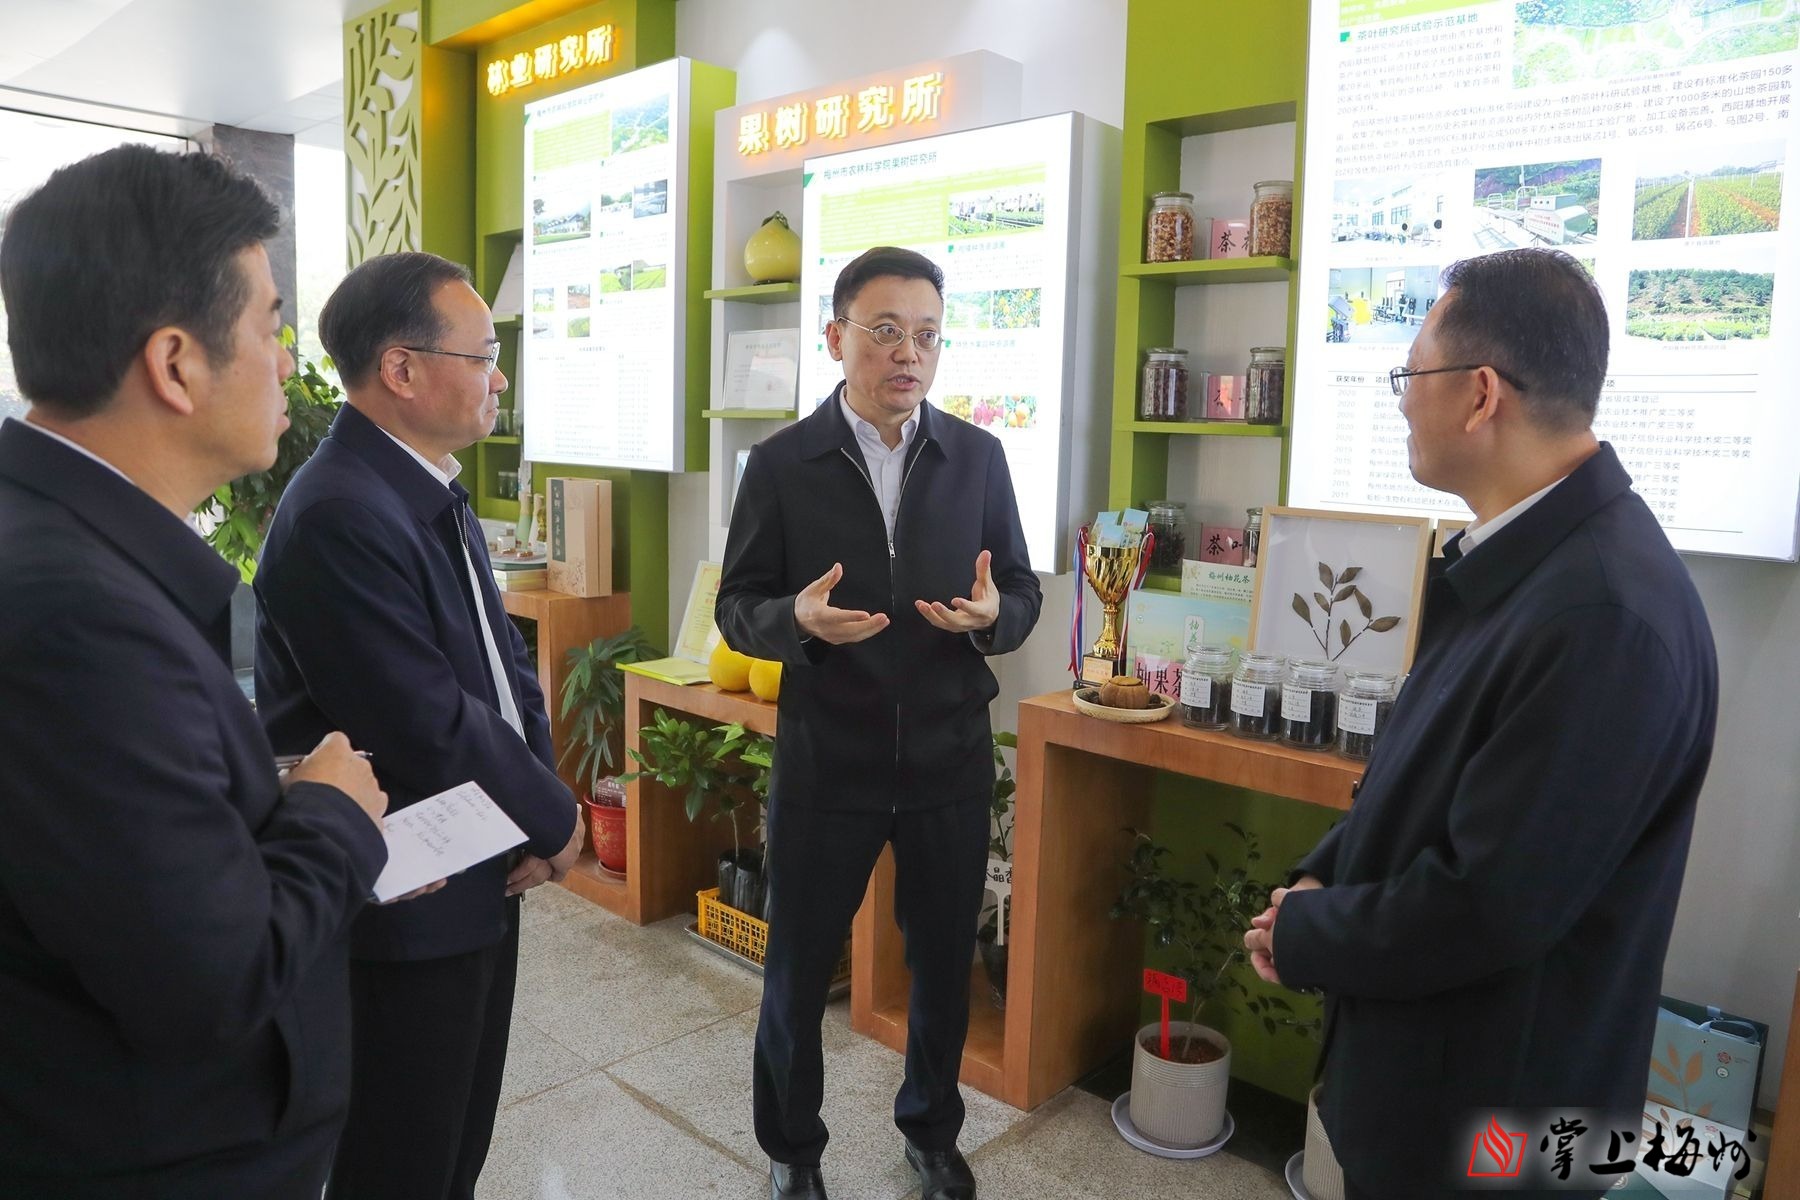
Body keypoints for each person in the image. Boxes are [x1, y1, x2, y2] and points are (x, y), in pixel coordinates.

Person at [1244, 248, 1717, 1199]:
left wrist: (1309, 934)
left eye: (1411, 373)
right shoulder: (1521, 564)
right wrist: (1323, 874)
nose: (1401, 402)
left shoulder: (1602, 615)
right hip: (1433, 1089)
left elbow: (1492, 903)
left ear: (1480, 394)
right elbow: (1424, 775)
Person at [0, 145, 390, 1197]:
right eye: (269, 326)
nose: (286, 364)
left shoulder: (58, 543)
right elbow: (213, 978)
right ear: (175, 364)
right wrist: (335, 815)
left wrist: (266, 794)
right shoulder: (78, 618)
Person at [253, 251, 584, 1200]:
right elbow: (424, 717)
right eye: (483, 356)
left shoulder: (422, 482)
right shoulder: (339, 512)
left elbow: (502, 666)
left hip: (478, 864)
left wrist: (535, 807)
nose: (499, 379)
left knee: (457, 1143)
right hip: (408, 901)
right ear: (401, 369)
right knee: (404, 1158)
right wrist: (553, 817)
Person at [717, 246, 1042, 1200]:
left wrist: (997, 618)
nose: (910, 354)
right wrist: (795, 621)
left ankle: (932, 1135)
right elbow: (738, 606)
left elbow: (1019, 588)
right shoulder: (783, 463)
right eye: (887, 331)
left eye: (928, 336)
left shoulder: (977, 457)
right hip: (830, 757)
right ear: (837, 337)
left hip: (948, 755)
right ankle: (792, 1150)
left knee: (942, 964)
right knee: (796, 968)